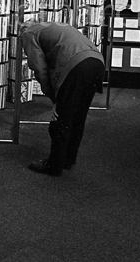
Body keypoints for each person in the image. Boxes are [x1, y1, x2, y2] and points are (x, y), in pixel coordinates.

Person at [19, 20, 105, 176]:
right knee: (78, 117)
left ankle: (54, 165)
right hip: (97, 62)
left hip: (76, 67)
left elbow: (39, 67)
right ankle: (68, 159)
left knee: (60, 120)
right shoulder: (53, 25)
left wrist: (52, 95)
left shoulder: (28, 33)